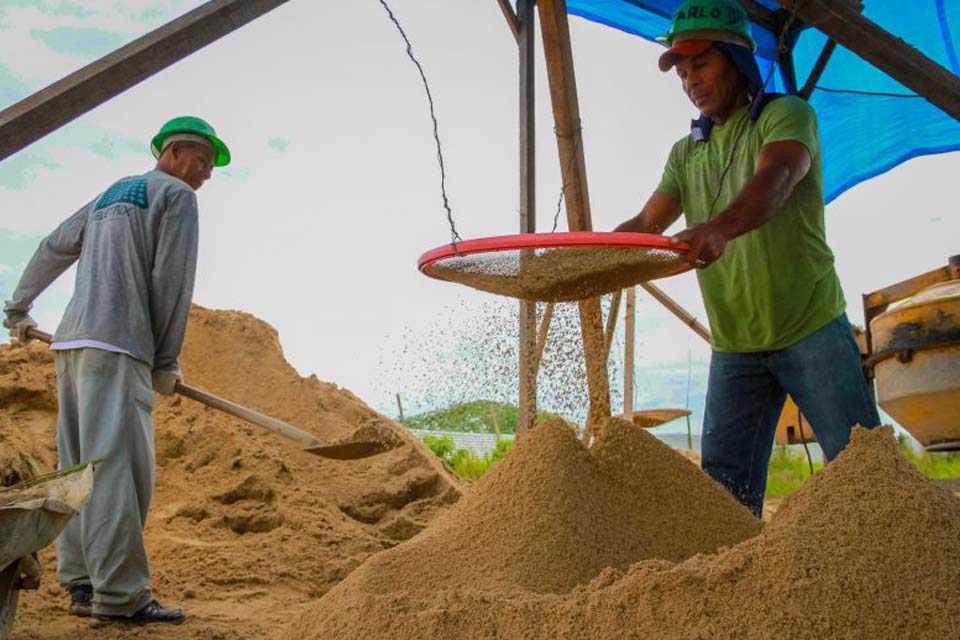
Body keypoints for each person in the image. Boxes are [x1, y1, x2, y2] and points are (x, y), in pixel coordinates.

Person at [615, 0, 879, 516]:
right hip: (735, 344)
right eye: (683, 70)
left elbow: (775, 181)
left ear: (737, 57)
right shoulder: (685, 152)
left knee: (864, 470)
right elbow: (647, 226)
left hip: (810, 327)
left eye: (701, 64)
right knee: (722, 496)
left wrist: (719, 228)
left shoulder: (785, 115)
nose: (690, 79)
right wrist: (590, 255)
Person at [3, 116, 230, 624]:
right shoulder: (175, 196)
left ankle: (82, 582)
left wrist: (19, 306)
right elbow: (172, 280)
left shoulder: (110, 196)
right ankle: (121, 596)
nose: (207, 174)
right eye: (203, 160)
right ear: (173, 153)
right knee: (119, 474)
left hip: (72, 345)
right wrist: (165, 359)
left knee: (81, 470)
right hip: (119, 345)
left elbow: (53, 245)